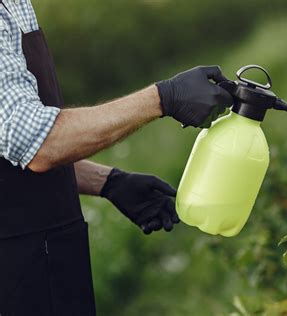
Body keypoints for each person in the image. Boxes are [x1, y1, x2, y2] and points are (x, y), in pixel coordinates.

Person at [0, 0, 233, 315]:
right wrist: (163, 98)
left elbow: (11, 144)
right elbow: (39, 141)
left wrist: (108, 182)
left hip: (46, 259)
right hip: (18, 273)